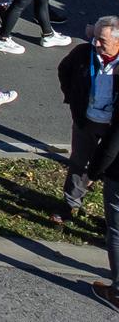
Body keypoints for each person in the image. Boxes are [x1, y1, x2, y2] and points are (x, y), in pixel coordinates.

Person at [54, 16, 119, 228]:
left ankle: (110, 214)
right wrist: (73, 98)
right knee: (79, 163)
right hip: (87, 120)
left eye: (102, 40)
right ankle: (70, 204)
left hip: (114, 127)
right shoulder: (83, 53)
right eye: (95, 38)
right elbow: (64, 70)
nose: (96, 43)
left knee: (112, 171)